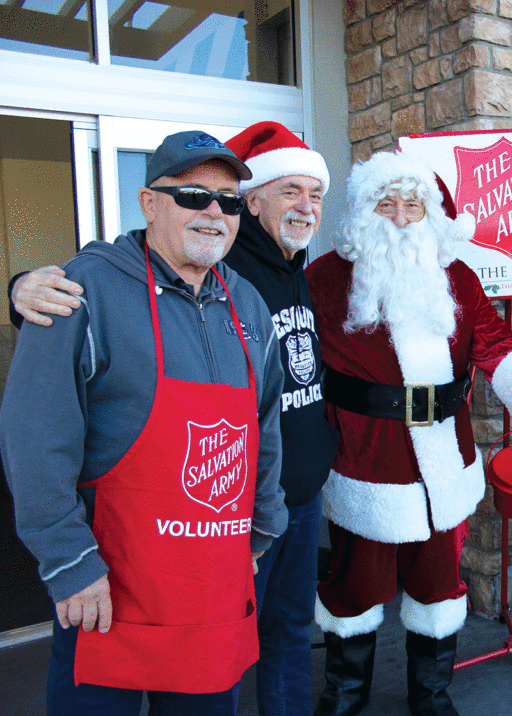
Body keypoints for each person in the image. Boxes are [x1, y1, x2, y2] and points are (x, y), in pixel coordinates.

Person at [10, 121, 340, 716]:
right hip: (107, 588)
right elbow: (36, 439)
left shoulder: (246, 305)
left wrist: (261, 531)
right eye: (193, 196)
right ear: (150, 203)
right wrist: (68, 560)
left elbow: (263, 433)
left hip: (212, 584)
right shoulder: (83, 290)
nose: (213, 212)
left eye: (229, 201)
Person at [306, 150, 512, 716]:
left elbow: (493, 342)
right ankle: (345, 695)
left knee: (438, 583)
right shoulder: (324, 278)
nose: (401, 218)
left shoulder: (457, 277)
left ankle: (431, 695)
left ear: (432, 214)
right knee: (354, 586)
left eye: (413, 205)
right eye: (387, 203)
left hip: (444, 456)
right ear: (363, 212)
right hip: (363, 459)